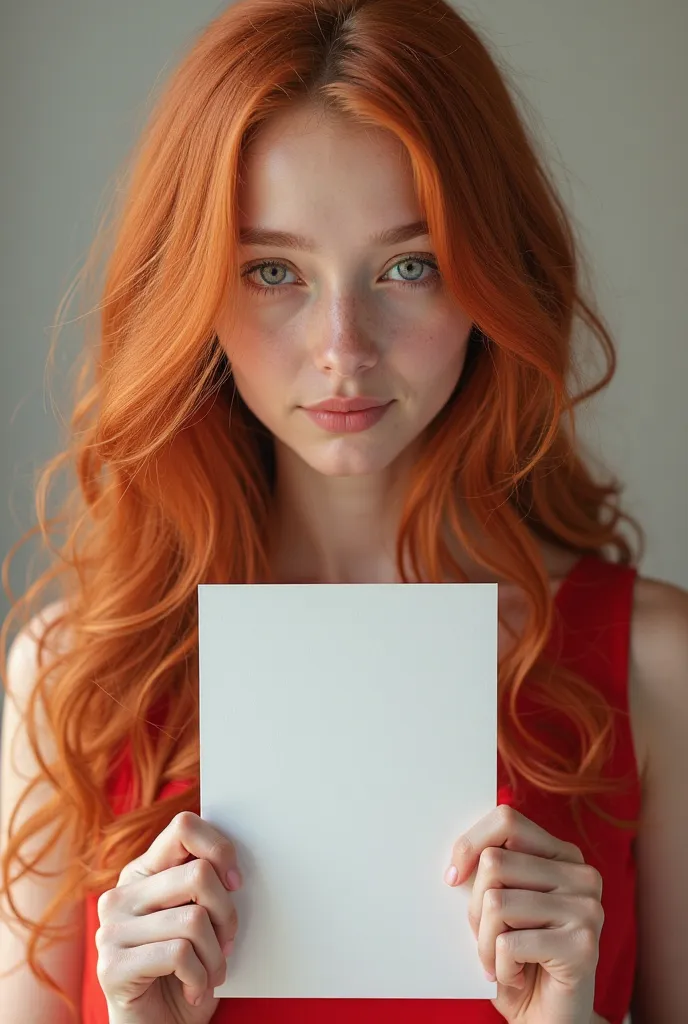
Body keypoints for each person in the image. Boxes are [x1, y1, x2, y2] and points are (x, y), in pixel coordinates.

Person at [0, 0, 686, 1022]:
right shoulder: (71, 676)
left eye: (409, 265)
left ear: (495, 274)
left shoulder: (650, 664)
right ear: (192, 289)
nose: (342, 346)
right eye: (272, 271)